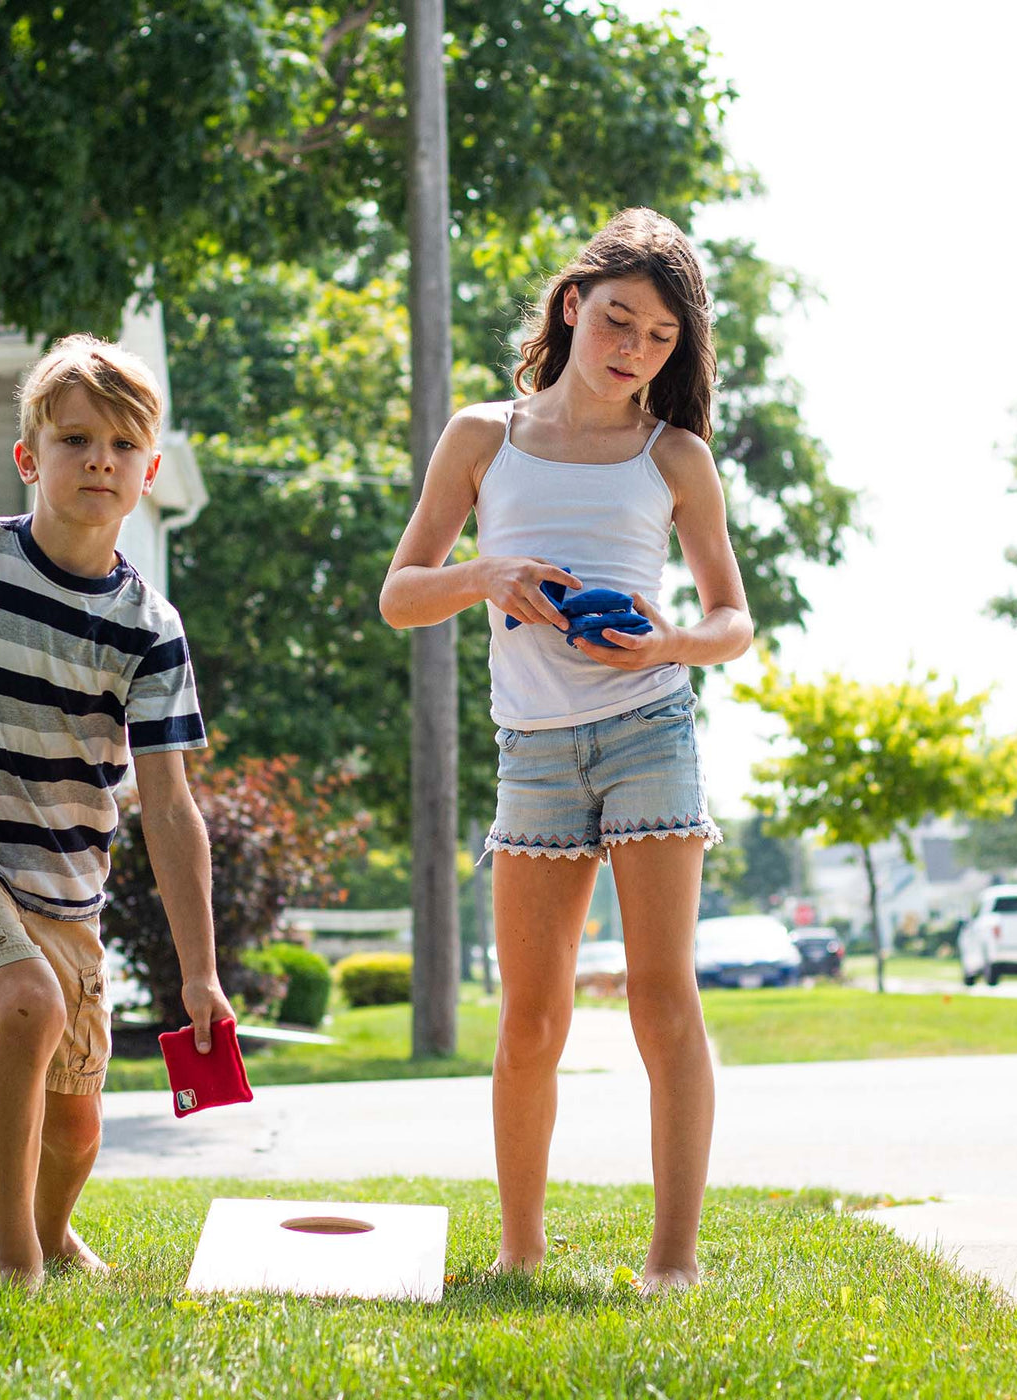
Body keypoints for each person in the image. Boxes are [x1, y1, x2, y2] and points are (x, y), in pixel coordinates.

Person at [380, 208, 752, 1296]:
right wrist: (487, 576)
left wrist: (669, 638)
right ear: (570, 306)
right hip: (532, 748)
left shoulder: (673, 454)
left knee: (658, 997)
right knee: (531, 1016)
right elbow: (401, 594)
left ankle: (671, 1262)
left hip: (648, 729)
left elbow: (732, 618)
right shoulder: (480, 438)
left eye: (657, 336)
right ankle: (519, 1250)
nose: (632, 345)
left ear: (674, 353)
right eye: (617, 317)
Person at [0, 333, 233, 1289]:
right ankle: (9, 1258)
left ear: (148, 471)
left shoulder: (150, 631)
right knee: (26, 1004)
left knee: (76, 1125)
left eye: (120, 444)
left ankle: (52, 1231)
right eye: (74, 439)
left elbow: (170, 808)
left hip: (70, 890)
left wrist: (199, 978)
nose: (98, 458)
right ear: (31, 456)